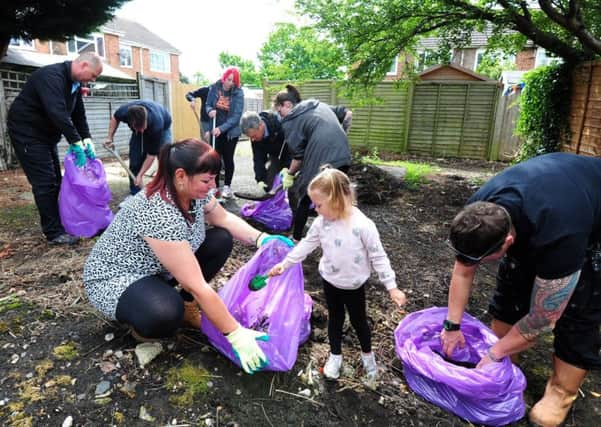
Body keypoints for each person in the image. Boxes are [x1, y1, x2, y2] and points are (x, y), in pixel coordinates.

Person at [83, 138, 278, 374]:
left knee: (221, 238)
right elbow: (196, 284)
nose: (213, 186)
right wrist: (235, 334)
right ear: (181, 175)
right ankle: (142, 322)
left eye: (214, 178)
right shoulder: (158, 211)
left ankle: (187, 306)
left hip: (159, 269)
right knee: (165, 313)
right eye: (207, 180)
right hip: (117, 277)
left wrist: (262, 239)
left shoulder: (195, 193)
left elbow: (223, 218)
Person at [442, 152, 601, 427]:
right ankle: (507, 359)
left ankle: (562, 392)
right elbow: (463, 269)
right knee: (513, 281)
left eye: (481, 259)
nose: (472, 264)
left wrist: (493, 354)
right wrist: (452, 325)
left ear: (508, 241)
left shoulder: (561, 236)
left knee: (578, 308)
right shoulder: (478, 211)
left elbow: (542, 319)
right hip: (548, 195)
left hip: (582, 217)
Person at [268, 168, 406, 383]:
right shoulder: (321, 223)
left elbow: (379, 256)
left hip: (353, 285)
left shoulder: (363, 226)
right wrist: (285, 264)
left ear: (337, 199)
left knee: (360, 321)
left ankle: (368, 356)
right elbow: (307, 244)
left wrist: (392, 286)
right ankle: (335, 356)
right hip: (330, 281)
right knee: (335, 318)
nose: (315, 208)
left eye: (319, 204)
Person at [7, 52, 103, 245]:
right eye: (93, 76)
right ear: (83, 65)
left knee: (55, 180)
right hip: (28, 133)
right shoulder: (51, 77)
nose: (92, 81)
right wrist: (75, 141)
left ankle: (59, 223)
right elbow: (57, 112)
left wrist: (87, 139)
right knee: (45, 182)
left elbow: (78, 115)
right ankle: (53, 233)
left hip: (46, 135)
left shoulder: (74, 85)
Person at [273, 84, 352, 241]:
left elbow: (298, 157)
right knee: (336, 199)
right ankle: (340, 239)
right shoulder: (319, 105)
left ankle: (296, 239)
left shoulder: (291, 119)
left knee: (305, 197)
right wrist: (342, 133)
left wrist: (289, 174)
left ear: (287, 105)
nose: (281, 116)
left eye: (280, 111)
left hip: (322, 159)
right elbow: (348, 113)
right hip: (343, 156)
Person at [104, 100, 172, 196]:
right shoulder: (124, 112)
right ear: (130, 122)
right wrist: (109, 137)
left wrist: (140, 175)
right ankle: (135, 193)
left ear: (146, 120)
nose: (142, 131)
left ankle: (166, 191)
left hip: (164, 127)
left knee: (164, 159)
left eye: (143, 127)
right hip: (142, 125)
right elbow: (115, 118)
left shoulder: (156, 124)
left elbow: (150, 156)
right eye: (138, 128)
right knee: (135, 158)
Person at [206, 68, 244, 199]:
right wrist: (210, 110)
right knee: (215, 160)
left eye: (233, 81)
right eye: (228, 79)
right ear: (224, 77)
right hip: (216, 130)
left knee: (228, 159)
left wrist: (221, 129)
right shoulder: (214, 88)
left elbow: (236, 116)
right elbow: (207, 104)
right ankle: (214, 188)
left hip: (230, 132)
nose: (230, 83)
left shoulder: (238, 93)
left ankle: (227, 187)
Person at [240, 110, 291, 192]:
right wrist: (260, 179)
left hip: (291, 154)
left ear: (261, 125)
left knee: (291, 184)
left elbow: (292, 148)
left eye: (254, 136)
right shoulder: (255, 137)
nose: (253, 139)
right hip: (274, 156)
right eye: (250, 137)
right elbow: (258, 158)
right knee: (269, 184)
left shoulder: (279, 124)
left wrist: (288, 168)